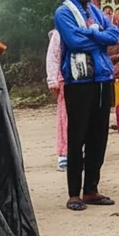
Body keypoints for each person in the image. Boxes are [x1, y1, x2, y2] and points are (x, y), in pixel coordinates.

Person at [54, 0, 119, 211]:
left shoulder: (95, 11)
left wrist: (93, 33)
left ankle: (91, 189)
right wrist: (98, 35)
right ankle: (74, 193)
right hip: (79, 82)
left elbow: (114, 35)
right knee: (78, 137)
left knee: (98, 137)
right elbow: (74, 42)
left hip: (103, 79)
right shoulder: (64, 12)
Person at [45, 28, 69, 170]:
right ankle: (64, 153)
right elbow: (53, 57)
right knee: (65, 119)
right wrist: (52, 80)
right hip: (65, 81)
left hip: (87, 80)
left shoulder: (90, 26)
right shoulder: (59, 33)